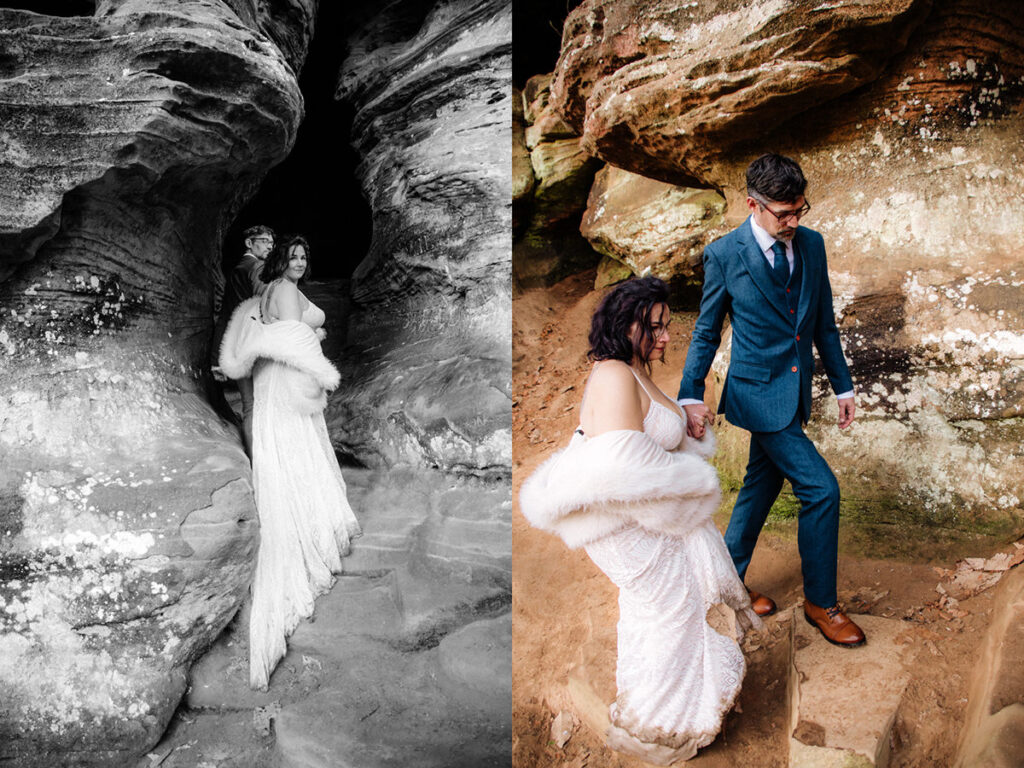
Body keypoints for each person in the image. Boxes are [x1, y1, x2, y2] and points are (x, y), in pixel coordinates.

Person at [520, 277, 760, 765]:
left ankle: (673, 709)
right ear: (626, 325)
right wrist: (695, 485)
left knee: (672, 609)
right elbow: (623, 473)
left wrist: (687, 423)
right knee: (668, 612)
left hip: (645, 519)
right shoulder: (612, 375)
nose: (668, 336)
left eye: (668, 325)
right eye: (657, 327)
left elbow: (649, 441)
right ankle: (658, 726)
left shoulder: (633, 368)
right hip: (628, 527)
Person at [677, 153, 864, 647]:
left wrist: (842, 386)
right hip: (756, 395)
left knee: (760, 486)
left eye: (800, 210)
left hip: (796, 389)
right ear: (752, 205)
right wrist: (690, 395)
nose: (794, 221)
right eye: (784, 213)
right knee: (821, 490)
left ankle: (727, 581)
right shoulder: (723, 254)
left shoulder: (813, 245)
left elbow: (823, 322)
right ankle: (821, 604)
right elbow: (705, 332)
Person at [219, 234, 361, 690]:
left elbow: (281, 331)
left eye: (305, 255)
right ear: (282, 259)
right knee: (294, 442)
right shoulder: (280, 287)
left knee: (290, 444)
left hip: (277, 374)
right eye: (293, 255)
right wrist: (317, 373)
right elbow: (295, 337)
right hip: (286, 376)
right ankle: (304, 515)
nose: (300, 261)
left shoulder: (274, 289)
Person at [214, 225, 276, 454]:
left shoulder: (236, 270)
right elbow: (265, 304)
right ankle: (268, 456)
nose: (269, 246)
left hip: (239, 344)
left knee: (249, 405)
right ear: (249, 243)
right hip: (257, 342)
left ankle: (253, 457)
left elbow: (225, 316)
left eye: (271, 242)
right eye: (264, 241)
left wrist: (216, 356)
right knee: (266, 403)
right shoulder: (258, 267)